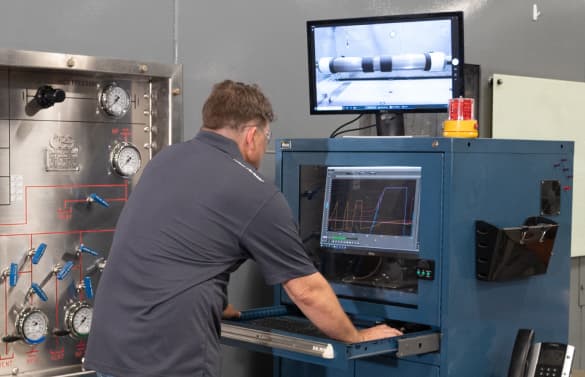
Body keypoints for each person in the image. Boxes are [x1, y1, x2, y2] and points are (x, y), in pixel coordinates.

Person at [83, 80, 402, 377]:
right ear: (252, 134)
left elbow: (175, 248)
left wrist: (219, 304)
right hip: (164, 360)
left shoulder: (167, 160)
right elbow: (306, 290)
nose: (264, 147)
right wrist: (356, 335)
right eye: (266, 138)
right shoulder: (253, 191)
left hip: (112, 348)